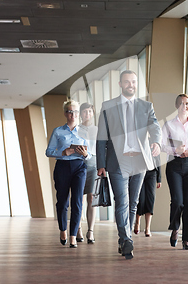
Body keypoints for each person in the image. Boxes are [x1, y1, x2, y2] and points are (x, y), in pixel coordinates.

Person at [96, 70, 161, 259]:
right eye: (127, 82)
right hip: (118, 160)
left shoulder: (146, 106)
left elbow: (155, 126)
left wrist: (156, 141)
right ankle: (126, 239)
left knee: (133, 203)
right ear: (120, 84)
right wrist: (101, 163)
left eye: (133, 82)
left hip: (139, 159)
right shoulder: (108, 106)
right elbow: (101, 137)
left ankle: (125, 239)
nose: (130, 85)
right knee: (122, 201)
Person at [162, 94, 188, 250]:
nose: (184, 106)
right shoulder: (168, 125)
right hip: (174, 164)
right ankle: (175, 229)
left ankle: (186, 239)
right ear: (176, 105)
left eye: (187, 103)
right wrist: (175, 150)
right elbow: (161, 145)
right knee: (178, 201)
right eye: (181, 103)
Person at [46, 100, 90, 248]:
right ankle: (63, 229)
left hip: (79, 167)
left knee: (77, 202)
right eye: (70, 111)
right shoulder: (58, 131)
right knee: (62, 202)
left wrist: (85, 154)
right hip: (62, 166)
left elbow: (89, 153)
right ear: (65, 113)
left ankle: (73, 236)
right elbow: (48, 152)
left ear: (79, 114)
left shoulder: (84, 132)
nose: (73, 114)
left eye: (75, 112)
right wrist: (62, 152)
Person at [77, 102, 98, 244]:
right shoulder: (76, 129)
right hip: (78, 164)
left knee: (92, 198)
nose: (87, 114)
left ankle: (90, 230)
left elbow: (103, 149)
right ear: (81, 114)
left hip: (94, 165)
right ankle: (77, 229)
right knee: (79, 198)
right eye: (85, 112)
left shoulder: (98, 130)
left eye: (90, 111)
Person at [134, 155, 161, 237]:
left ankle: (147, 228)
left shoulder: (154, 143)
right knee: (140, 199)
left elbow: (158, 160)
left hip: (152, 172)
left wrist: (159, 179)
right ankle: (137, 223)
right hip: (139, 171)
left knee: (150, 199)